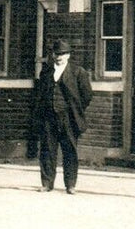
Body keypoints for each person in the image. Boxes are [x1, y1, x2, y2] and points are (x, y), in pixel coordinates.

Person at [32, 39, 94, 193]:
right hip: (49, 117)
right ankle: (47, 183)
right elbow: (40, 94)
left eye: (63, 54)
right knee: (47, 150)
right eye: (57, 53)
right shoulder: (46, 72)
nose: (59, 56)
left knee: (70, 150)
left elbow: (86, 95)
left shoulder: (78, 72)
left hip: (69, 118)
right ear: (53, 55)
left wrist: (75, 111)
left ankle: (70, 184)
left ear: (68, 55)